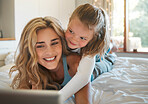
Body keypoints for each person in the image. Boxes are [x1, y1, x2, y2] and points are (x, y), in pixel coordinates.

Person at [9, 16, 92, 104]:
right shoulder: (31, 68)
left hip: (98, 66)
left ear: (62, 42)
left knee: (104, 61)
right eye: (40, 46)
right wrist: (34, 85)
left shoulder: (75, 63)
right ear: (30, 50)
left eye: (54, 43)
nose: (49, 52)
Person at [60, 3, 116, 101]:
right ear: (69, 23)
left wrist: (59, 97)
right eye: (71, 31)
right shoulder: (61, 38)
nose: (74, 39)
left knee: (104, 63)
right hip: (86, 53)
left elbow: (83, 77)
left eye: (82, 38)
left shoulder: (91, 49)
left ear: (93, 38)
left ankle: (112, 49)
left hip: (97, 54)